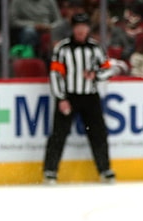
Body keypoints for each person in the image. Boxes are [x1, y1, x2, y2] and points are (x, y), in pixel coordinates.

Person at [43, 13, 118, 185]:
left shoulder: (95, 48)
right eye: (77, 27)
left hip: (90, 96)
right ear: (73, 28)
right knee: (58, 134)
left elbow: (108, 70)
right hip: (69, 96)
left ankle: (105, 169)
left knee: (98, 133)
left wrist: (96, 75)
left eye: (84, 26)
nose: (81, 30)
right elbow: (55, 75)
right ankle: (50, 171)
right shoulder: (62, 49)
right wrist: (61, 98)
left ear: (88, 29)